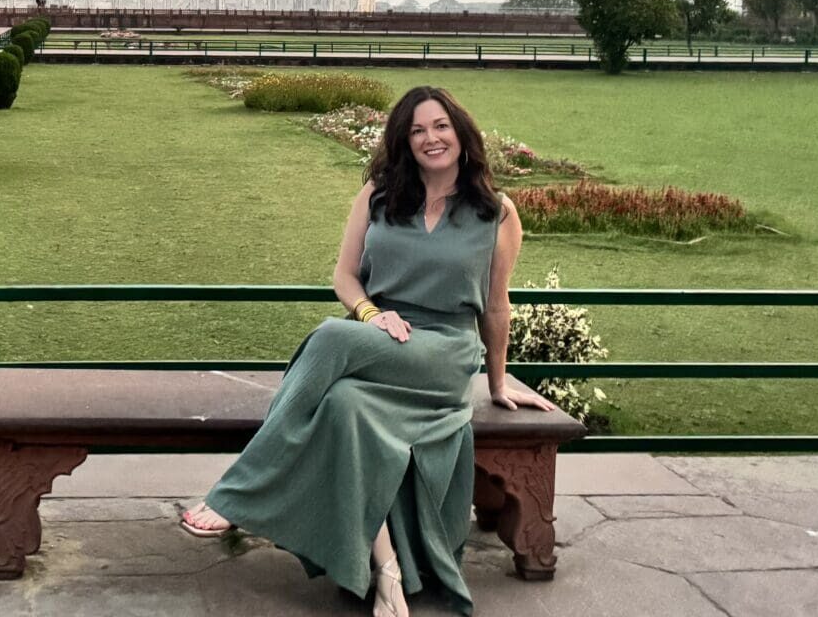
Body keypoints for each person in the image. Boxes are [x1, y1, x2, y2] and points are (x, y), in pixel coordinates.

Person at [180, 85, 554, 616]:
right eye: (417, 130)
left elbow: (496, 307)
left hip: (444, 352)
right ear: (403, 141)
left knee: (330, 337)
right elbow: (345, 276)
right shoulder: (380, 194)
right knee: (342, 405)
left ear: (461, 133)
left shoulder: (496, 213)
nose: (431, 138)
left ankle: (237, 492)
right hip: (381, 335)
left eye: (440, 126)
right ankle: (386, 572)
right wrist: (373, 315)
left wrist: (497, 383)